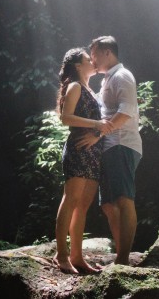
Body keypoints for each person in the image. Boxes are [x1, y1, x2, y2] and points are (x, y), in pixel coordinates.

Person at [77, 35, 142, 266]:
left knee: (124, 199)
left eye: (94, 54)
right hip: (109, 146)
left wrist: (98, 133)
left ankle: (123, 259)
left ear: (107, 53)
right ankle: (121, 254)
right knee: (107, 204)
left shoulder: (122, 76)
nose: (92, 59)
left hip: (121, 143)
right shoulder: (107, 80)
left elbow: (126, 112)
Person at [54, 47, 110, 274]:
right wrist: (96, 125)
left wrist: (98, 131)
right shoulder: (76, 86)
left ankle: (77, 256)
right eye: (88, 59)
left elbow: (100, 123)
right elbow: (65, 118)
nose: (93, 61)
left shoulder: (89, 89)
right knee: (71, 199)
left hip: (93, 152)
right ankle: (61, 254)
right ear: (78, 65)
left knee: (84, 205)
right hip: (78, 149)